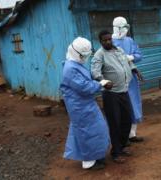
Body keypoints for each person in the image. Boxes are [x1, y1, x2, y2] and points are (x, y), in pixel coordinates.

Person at [60, 37, 112, 170]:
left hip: (85, 104)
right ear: (76, 53)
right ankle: (88, 161)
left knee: (96, 129)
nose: (86, 58)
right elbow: (84, 87)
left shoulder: (74, 64)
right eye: (84, 55)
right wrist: (100, 83)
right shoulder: (70, 68)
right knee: (86, 133)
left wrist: (97, 82)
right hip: (79, 106)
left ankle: (95, 155)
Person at [91, 30, 140, 163]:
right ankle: (116, 153)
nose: (107, 42)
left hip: (124, 91)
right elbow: (95, 72)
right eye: (104, 40)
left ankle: (123, 146)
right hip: (111, 94)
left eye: (109, 39)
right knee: (115, 123)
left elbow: (127, 62)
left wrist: (135, 69)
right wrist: (104, 81)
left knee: (127, 119)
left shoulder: (118, 49)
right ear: (100, 42)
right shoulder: (99, 55)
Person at [112, 16, 144, 143]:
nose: (125, 29)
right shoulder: (109, 41)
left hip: (131, 79)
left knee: (134, 104)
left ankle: (132, 134)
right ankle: (122, 137)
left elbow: (139, 55)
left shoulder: (130, 40)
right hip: (117, 80)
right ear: (116, 28)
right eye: (122, 27)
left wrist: (130, 57)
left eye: (126, 27)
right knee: (121, 107)